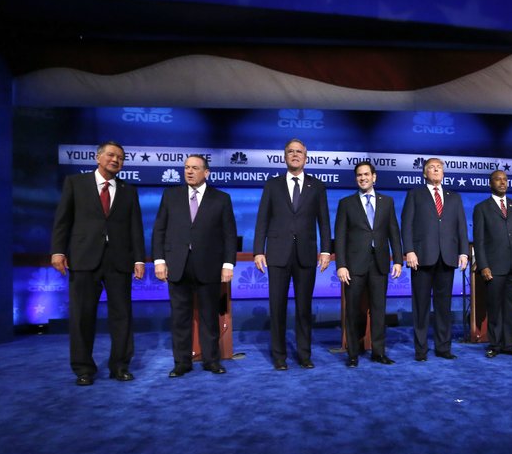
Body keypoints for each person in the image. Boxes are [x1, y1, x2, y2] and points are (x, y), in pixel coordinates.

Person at [50, 141, 145, 386]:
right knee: (82, 316)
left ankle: (120, 366)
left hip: (118, 261)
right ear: (98, 157)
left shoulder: (128, 190)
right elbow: (63, 221)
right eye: (111, 155)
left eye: (121, 158)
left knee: (122, 316)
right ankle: (83, 369)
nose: (115, 160)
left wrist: (138, 259)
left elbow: (135, 228)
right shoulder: (75, 183)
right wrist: (58, 252)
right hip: (84, 258)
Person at [152, 155, 237, 377]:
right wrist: (159, 260)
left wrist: (228, 264)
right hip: (177, 265)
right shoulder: (170, 195)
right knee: (180, 317)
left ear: (206, 172)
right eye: (186, 167)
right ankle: (181, 362)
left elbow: (229, 235)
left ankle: (211, 360)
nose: (189, 171)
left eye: (195, 168)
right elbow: (159, 229)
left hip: (209, 266)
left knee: (210, 316)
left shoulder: (221, 199)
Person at [253, 138, 331, 370]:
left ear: (306, 157)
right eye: (290, 151)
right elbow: (262, 220)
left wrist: (326, 249)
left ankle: (304, 355)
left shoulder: (317, 186)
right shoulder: (272, 185)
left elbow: (324, 222)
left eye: (299, 152)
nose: (295, 155)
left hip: (306, 255)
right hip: (277, 255)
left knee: (304, 308)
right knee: (277, 308)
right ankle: (279, 356)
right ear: (284, 156)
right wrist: (259, 250)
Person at [334, 161, 403, 367]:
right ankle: (353, 353)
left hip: (380, 264)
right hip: (354, 266)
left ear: (374, 177)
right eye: (359, 175)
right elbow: (340, 237)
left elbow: (393, 232)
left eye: (366, 174)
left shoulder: (387, 202)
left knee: (379, 310)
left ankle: (378, 352)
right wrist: (341, 265)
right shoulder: (346, 203)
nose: (362, 178)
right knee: (353, 310)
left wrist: (398, 260)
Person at [401, 158, 468, 361]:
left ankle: (443, 347)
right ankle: (421, 350)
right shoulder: (415, 194)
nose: (436, 169)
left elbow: (461, 227)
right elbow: (406, 224)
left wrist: (463, 252)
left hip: (447, 258)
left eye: (439, 167)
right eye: (431, 167)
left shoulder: (454, 197)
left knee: (443, 307)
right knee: (421, 307)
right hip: (421, 258)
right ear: (424, 173)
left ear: (443, 172)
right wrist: (409, 251)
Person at [472, 170, 512, 358]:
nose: (502, 182)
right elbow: (479, 241)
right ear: (491, 184)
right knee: (495, 308)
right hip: (494, 267)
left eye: (505, 180)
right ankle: (495, 345)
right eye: (498, 179)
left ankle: (509, 345)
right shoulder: (481, 208)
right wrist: (483, 265)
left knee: (511, 308)